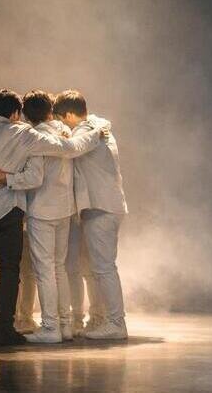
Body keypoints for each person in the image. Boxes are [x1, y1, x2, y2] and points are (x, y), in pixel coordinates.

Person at [0, 89, 105, 345]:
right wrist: (96, 133)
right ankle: (6, 328)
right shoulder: (23, 134)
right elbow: (70, 148)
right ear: (16, 113)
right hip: (8, 209)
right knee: (9, 270)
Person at [54, 90, 129, 340]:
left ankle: (116, 323)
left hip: (101, 208)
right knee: (96, 267)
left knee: (104, 268)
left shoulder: (89, 131)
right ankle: (103, 319)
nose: (62, 125)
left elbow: (70, 149)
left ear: (69, 115)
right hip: (102, 207)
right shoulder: (96, 125)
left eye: (61, 119)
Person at [17, 91, 77, 343]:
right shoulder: (64, 132)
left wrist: (7, 179)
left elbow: (34, 178)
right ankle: (65, 325)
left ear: (26, 115)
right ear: (51, 110)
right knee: (59, 268)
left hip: (42, 209)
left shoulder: (35, 138)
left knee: (44, 270)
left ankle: (50, 327)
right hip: (64, 208)